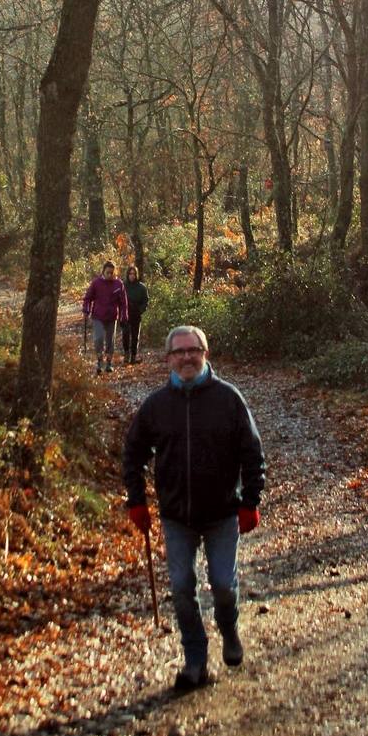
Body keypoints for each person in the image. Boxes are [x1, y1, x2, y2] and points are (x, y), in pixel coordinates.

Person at [122, 325, 264, 692]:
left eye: (193, 350)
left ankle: (229, 628)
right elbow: (134, 454)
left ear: (205, 353)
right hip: (176, 516)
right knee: (183, 587)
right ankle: (195, 660)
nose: (187, 357)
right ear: (168, 358)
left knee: (222, 586)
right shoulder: (156, 406)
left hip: (221, 514)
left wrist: (251, 501)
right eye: (179, 352)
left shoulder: (229, 399)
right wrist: (136, 500)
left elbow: (252, 453)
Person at [82, 260, 127, 375]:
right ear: (103, 272)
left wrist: (124, 315)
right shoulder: (96, 283)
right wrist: (86, 310)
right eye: (108, 272)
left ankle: (109, 363)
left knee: (110, 341)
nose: (110, 275)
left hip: (112, 317)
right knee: (98, 339)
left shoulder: (119, 284)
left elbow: (123, 302)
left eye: (112, 273)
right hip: (98, 316)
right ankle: (99, 361)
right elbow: (88, 298)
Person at [122, 264, 149, 363]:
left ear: (136, 275)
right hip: (125, 313)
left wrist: (140, 310)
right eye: (130, 274)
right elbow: (118, 299)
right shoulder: (123, 286)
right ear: (127, 274)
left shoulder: (141, 288)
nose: (132, 276)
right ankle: (126, 353)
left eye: (134, 274)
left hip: (136, 314)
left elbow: (145, 301)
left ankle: (133, 355)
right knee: (125, 334)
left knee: (135, 336)